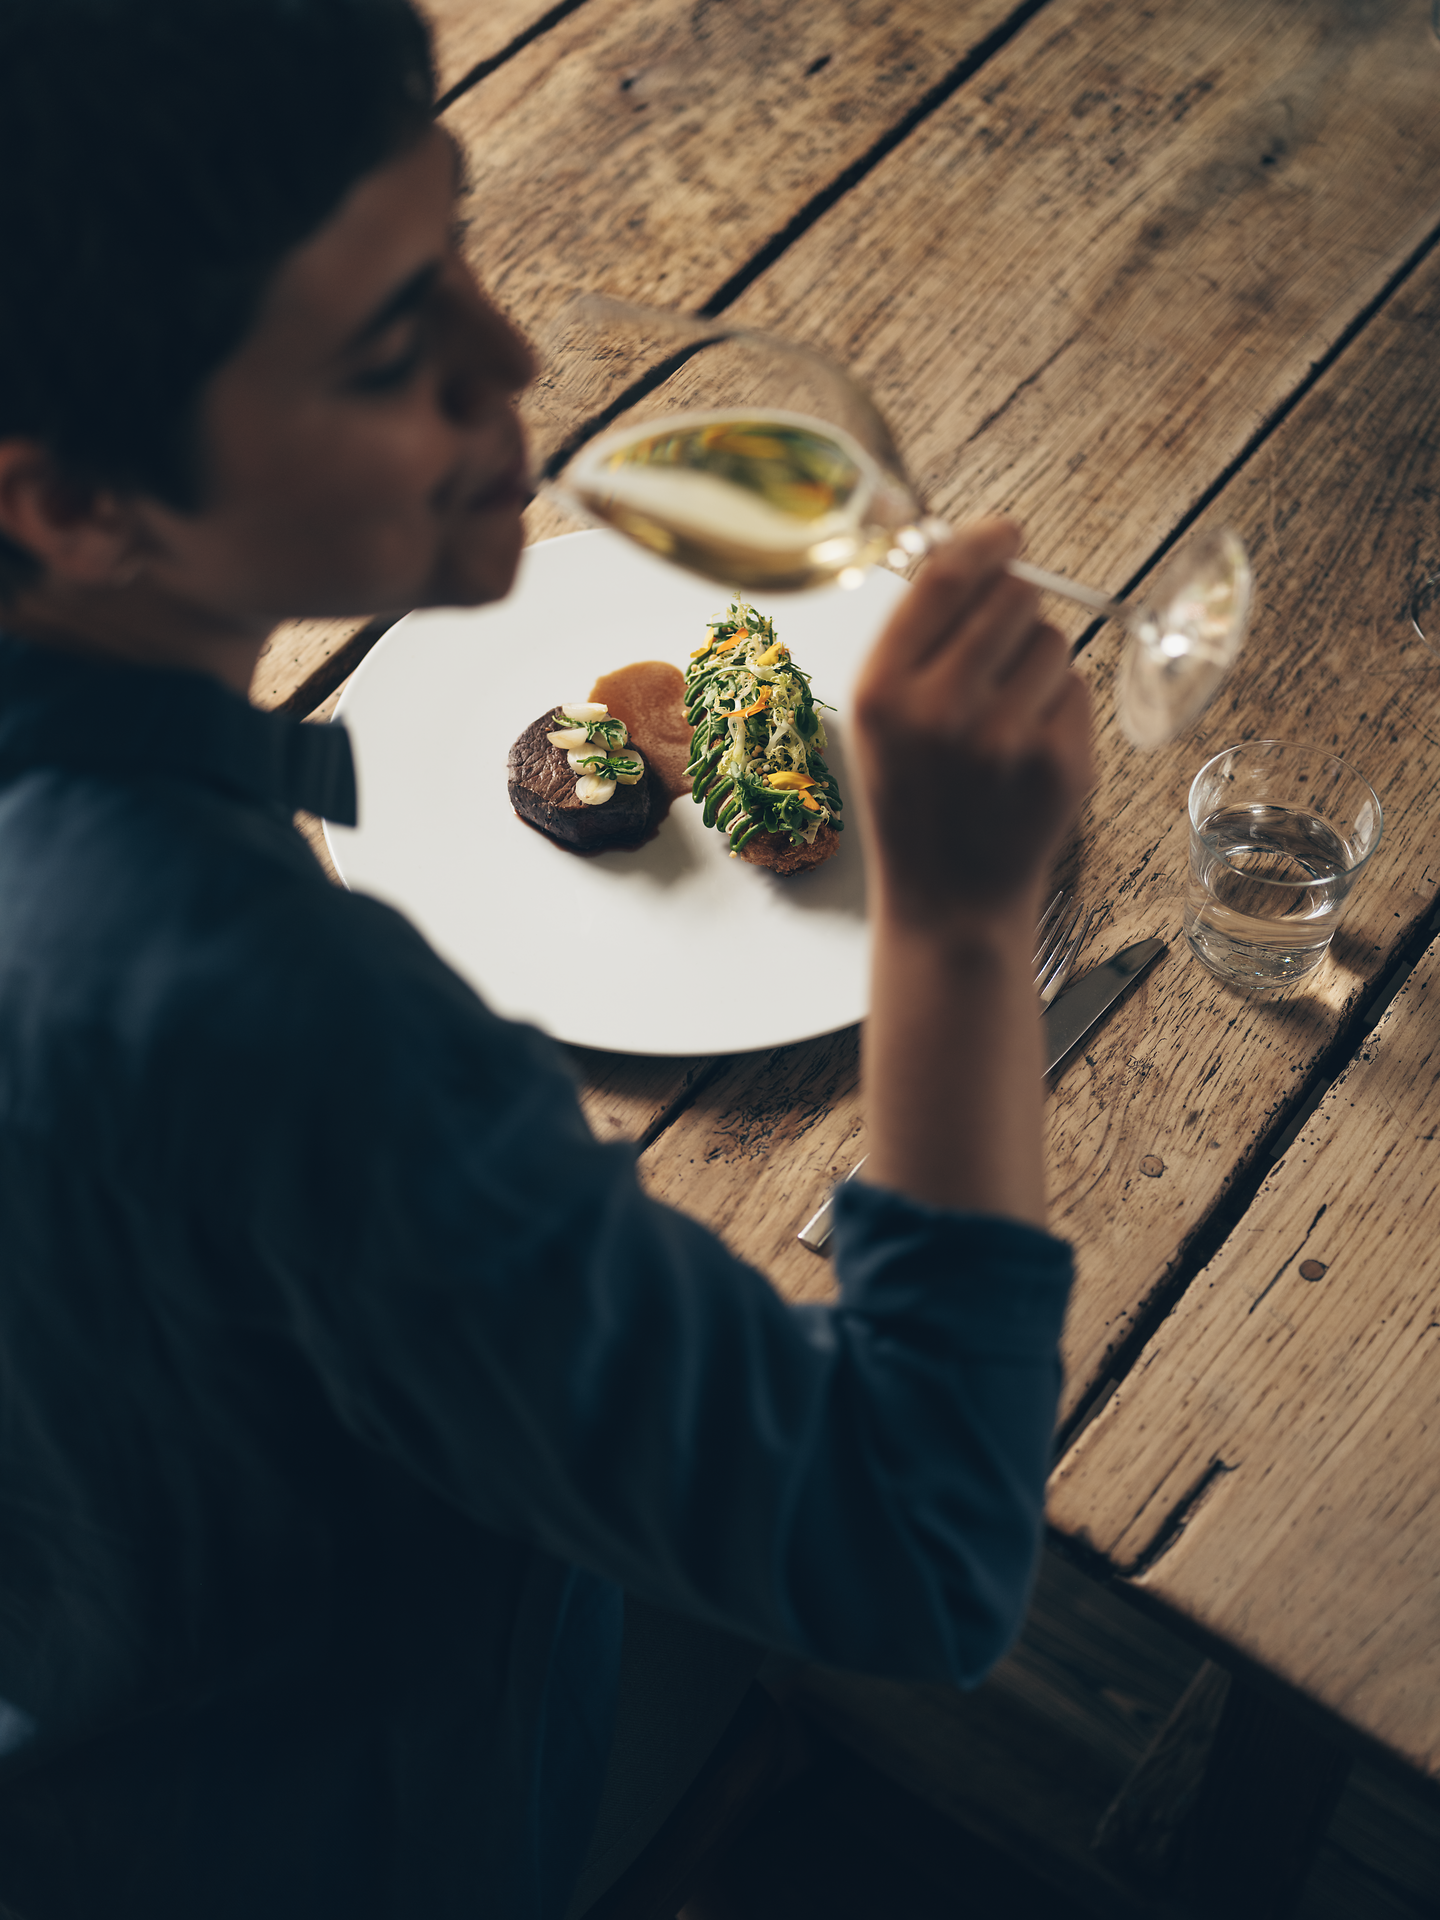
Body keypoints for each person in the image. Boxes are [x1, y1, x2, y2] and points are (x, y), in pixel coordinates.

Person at [0, 2, 1093, 1915]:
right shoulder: (292, 1033)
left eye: (459, 242)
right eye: (389, 347)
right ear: (80, 505)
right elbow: (918, 1552)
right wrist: (958, 913)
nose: (518, 363)